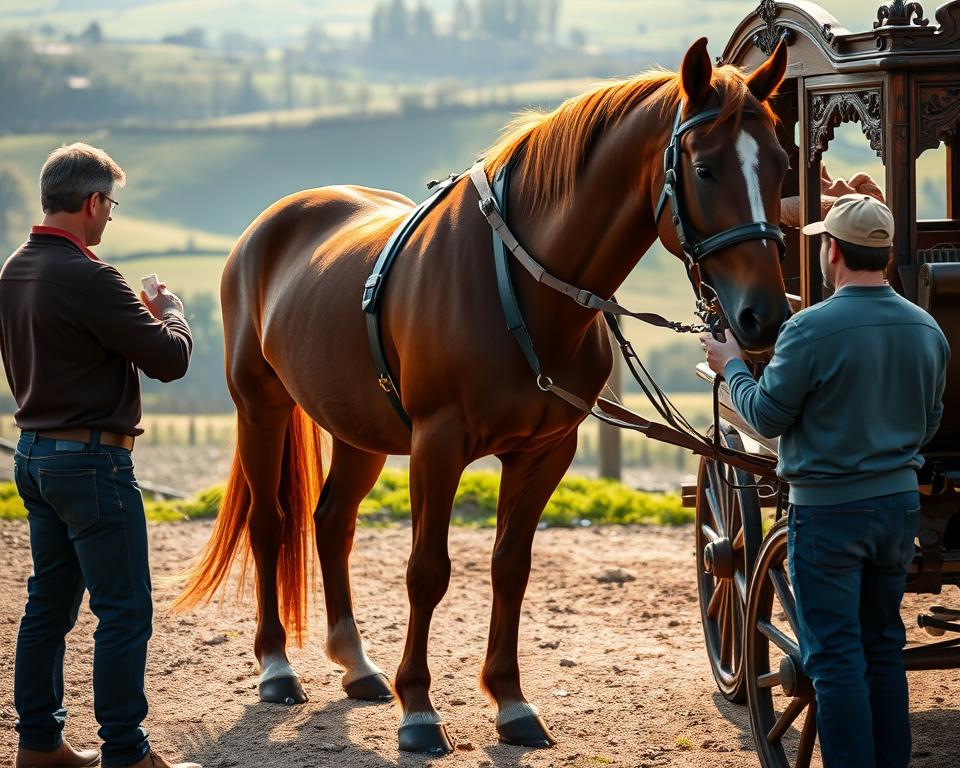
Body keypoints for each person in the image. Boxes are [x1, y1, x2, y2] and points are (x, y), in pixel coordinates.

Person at [701, 194, 948, 768]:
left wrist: (730, 365)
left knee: (835, 659)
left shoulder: (808, 331)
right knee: (884, 647)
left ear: (831, 251)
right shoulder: (927, 329)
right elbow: (929, 422)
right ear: (883, 255)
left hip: (829, 516)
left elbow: (764, 417)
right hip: (898, 510)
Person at [0, 143, 200, 768]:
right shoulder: (91, 277)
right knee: (124, 610)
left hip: (34, 456)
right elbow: (169, 360)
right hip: (93, 464)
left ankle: (38, 746)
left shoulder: (14, 269)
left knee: (47, 607)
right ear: (92, 202)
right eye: (110, 204)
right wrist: (171, 314)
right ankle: (126, 753)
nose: (110, 216)